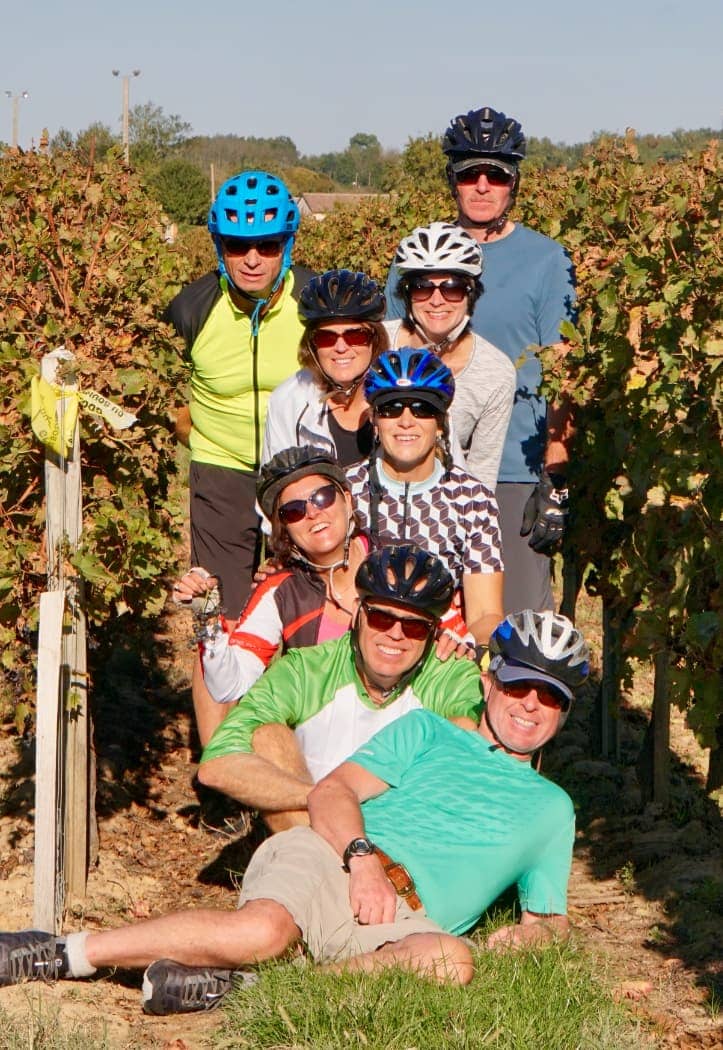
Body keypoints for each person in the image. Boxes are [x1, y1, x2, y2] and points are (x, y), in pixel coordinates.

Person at [0, 611, 590, 1016]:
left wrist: (534, 940)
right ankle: (62, 952)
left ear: (564, 711)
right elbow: (332, 792)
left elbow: (548, 919)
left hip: (410, 920)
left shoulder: (552, 809)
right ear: (489, 682)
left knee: (451, 960)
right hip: (337, 859)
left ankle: (244, 988)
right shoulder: (429, 732)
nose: (530, 706)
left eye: (551, 696)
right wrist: (362, 863)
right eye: (519, 686)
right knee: (261, 930)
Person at [384, 107, 576, 613]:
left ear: (514, 183)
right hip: (419, 462)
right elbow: (387, 347)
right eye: (471, 173)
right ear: (453, 180)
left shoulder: (547, 260)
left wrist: (554, 476)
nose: (483, 185)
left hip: (514, 467)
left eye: (497, 174)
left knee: (511, 625)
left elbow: (564, 368)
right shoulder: (417, 254)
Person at [164, 170, 313, 736]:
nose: (252, 258)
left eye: (267, 245)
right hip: (221, 472)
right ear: (218, 246)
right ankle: (218, 761)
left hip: (299, 475)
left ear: (287, 245)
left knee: (303, 611)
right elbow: (154, 386)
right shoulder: (191, 308)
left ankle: (295, 745)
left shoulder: (315, 303)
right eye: (237, 245)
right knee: (218, 616)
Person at [197, 544, 483, 831]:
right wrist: (329, 797)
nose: (395, 635)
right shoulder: (307, 668)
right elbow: (216, 765)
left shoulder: (451, 672)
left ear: (434, 631)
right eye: (381, 617)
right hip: (315, 835)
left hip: (405, 840)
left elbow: (477, 755)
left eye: (414, 627)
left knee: (461, 731)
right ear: (357, 611)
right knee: (267, 736)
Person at [171, 446, 370, 744]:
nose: (313, 513)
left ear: (347, 500)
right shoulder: (281, 590)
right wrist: (208, 618)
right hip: (324, 746)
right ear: (283, 529)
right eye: (294, 511)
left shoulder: (394, 562)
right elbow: (229, 685)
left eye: (323, 497)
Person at [346, 348, 504, 645]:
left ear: (441, 422)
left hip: (439, 648)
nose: (406, 421)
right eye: (391, 408)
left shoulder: (473, 500)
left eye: (422, 408)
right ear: (374, 419)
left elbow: (485, 613)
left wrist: (469, 646)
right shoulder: (346, 490)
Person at [385, 221, 515, 490]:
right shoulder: (376, 344)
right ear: (407, 295)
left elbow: (482, 474)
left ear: (471, 295)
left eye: (452, 287)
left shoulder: (495, 371)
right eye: (422, 287)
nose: (436, 300)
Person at [263, 269, 389, 469]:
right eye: (326, 337)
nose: (340, 348)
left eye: (355, 335)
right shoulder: (288, 402)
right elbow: (274, 488)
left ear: (375, 339)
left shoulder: (407, 390)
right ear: (312, 345)